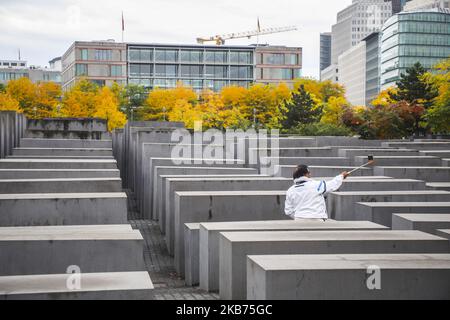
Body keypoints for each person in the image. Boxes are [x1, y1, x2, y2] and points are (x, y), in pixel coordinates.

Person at [284, 165, 349, 221]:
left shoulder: (290, 190)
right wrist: (341, 176)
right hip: (317, 218)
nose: (310, 174)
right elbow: (332, 184)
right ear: (305, 174)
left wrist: (299, 216)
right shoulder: (317, 185)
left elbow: (288, 211)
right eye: (309, 173)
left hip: (298, 219)